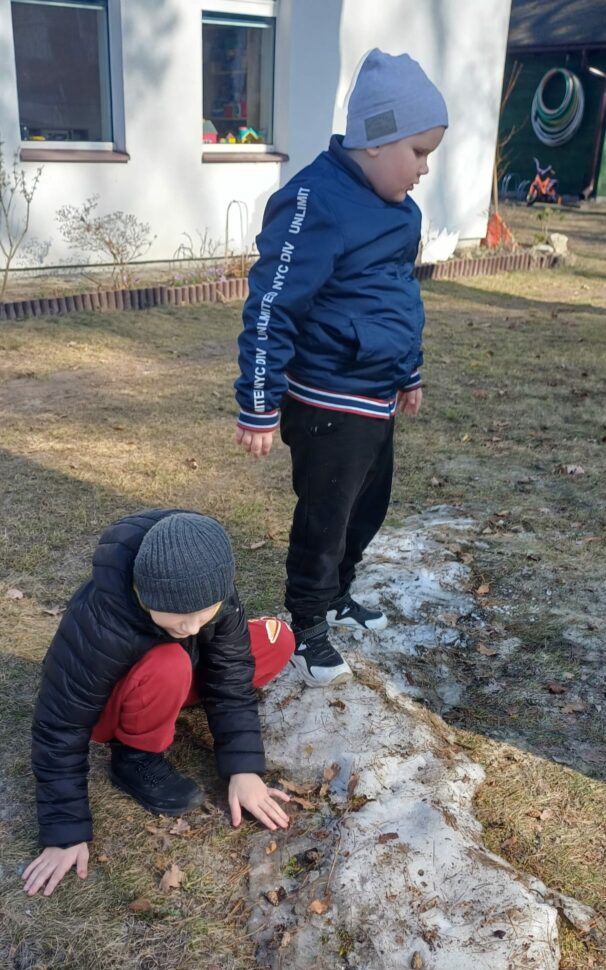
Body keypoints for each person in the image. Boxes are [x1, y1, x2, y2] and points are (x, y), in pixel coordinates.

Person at [234, 49, 448, 686]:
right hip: (326, 396)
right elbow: (273, 302)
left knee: (367, 507)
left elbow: (398, 299)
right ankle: (306, 624)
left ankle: (336, 594)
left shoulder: (401, 213)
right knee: (325, 515)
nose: (425, 168)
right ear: (377, 141)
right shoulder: (313, 202)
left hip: (375, 394)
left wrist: (408, 371)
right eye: (418, 151)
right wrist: (259, 402)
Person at [23, 508, 294, 897]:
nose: (193, 628)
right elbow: (59, 725)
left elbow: (232, 677)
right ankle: (134, 757)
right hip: (112, 701)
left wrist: (244, 769)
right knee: (171, 661)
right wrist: (64, 831)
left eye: (206, 614)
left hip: (173, 673)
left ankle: (167, 696)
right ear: (145, 593)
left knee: (275, 640)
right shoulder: (100, 620)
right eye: (180, 618)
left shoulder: (212, 592)